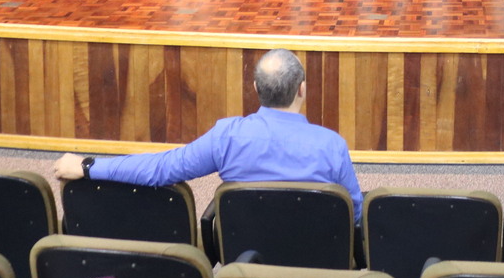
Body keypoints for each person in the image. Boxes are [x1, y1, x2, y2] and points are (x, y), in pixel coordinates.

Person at [53, 48, 364, 220]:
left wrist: (88, 167)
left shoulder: (226, 136)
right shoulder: (332, 146)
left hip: (244, 270)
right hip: (319, 266)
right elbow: (355, 215)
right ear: (303, 90)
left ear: (255, 90)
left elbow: (161, 169)